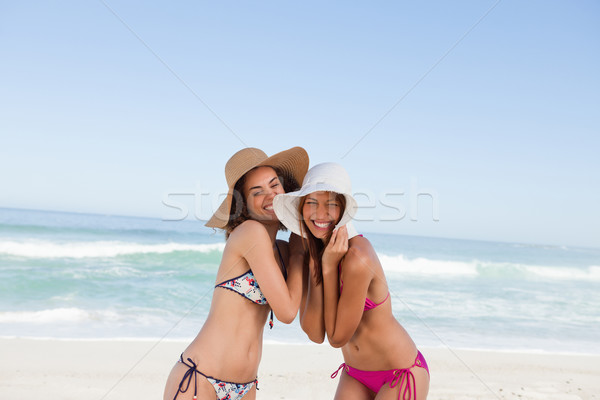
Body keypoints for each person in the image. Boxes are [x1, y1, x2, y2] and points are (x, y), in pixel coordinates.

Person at [273, 162, 430, 400]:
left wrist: (327, 267)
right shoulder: (315, 252)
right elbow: (315, 333)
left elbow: (337, 338)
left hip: (400, 374)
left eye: (331, 204)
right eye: (312, 202)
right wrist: (315, 263)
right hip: (355, 374)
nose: (320, 213)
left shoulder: (358, 256)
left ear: (343, 209)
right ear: (301, 207)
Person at [163, 147, 309, 400]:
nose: (270, 195)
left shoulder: (283, 251)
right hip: (200, 380)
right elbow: (286, 312)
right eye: (257, 192)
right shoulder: (249, 233)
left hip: (246, 386)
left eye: (274, 185)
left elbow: (307, 314)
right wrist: (299, 253)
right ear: (242, 206)